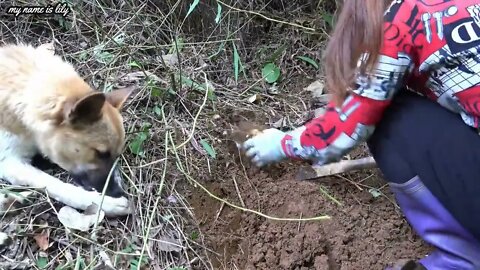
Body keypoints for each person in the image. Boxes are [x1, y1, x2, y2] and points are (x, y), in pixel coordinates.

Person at [242, 0, 480, 269]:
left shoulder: (399, 21)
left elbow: (347, 126)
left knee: (393, 114)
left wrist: (281, 143)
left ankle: (462, 256)